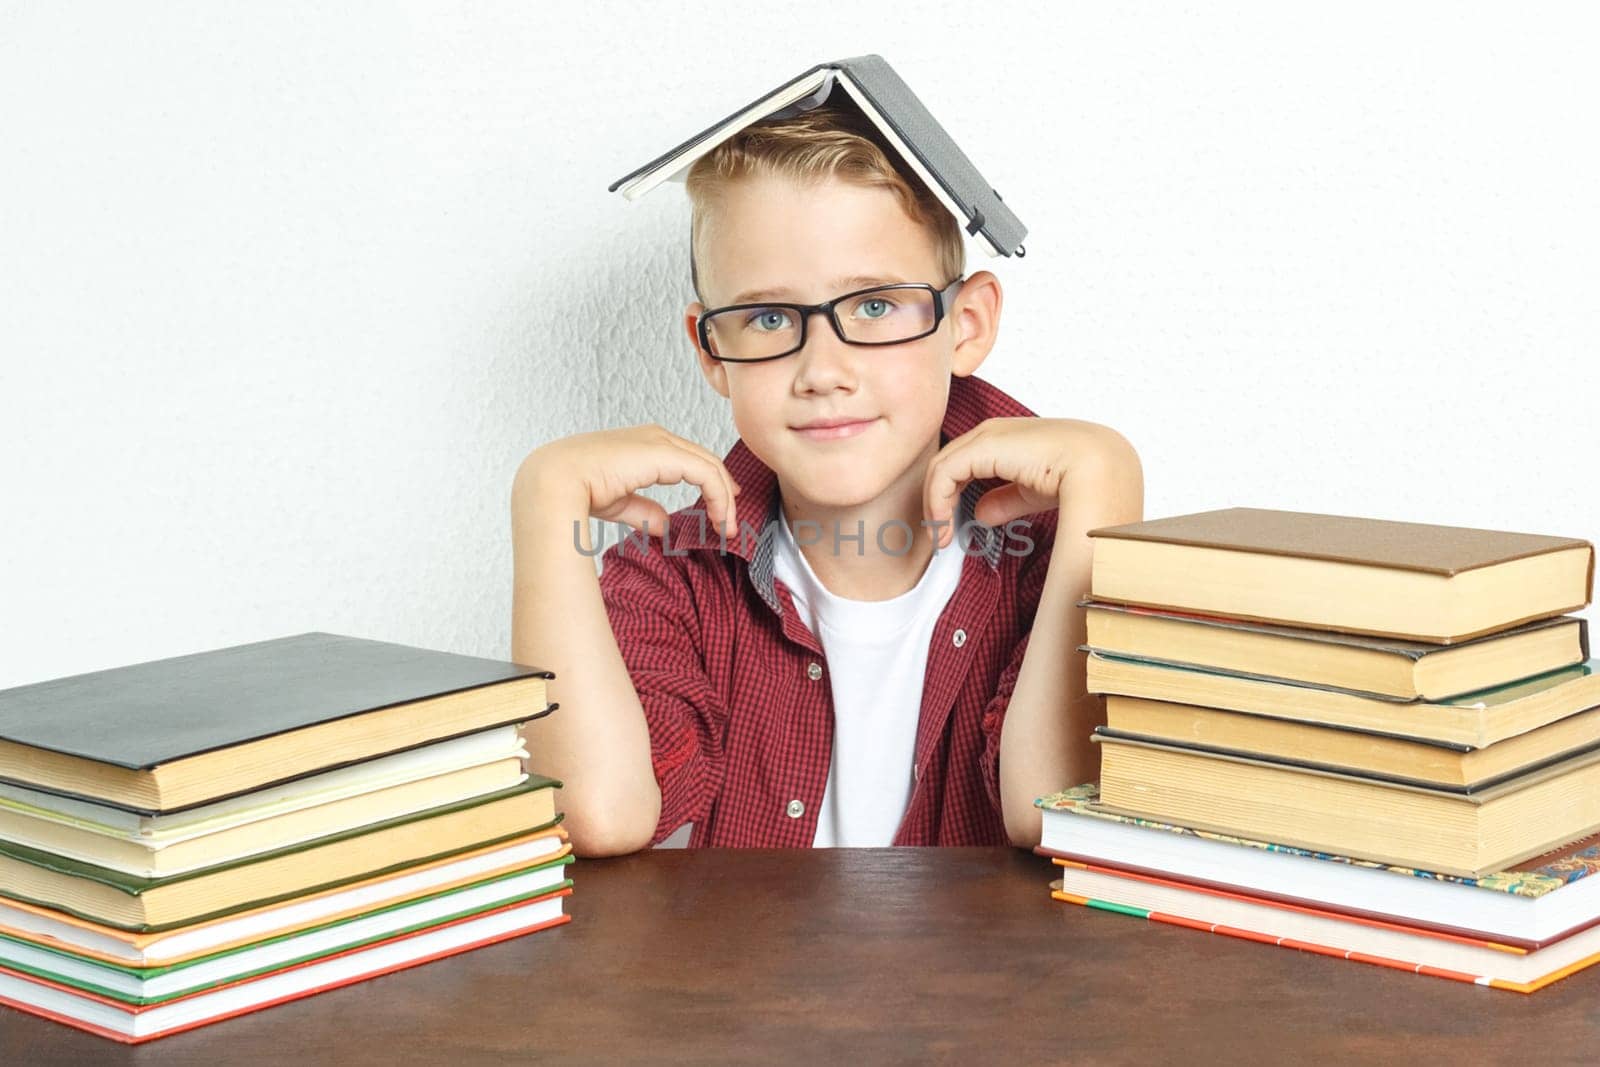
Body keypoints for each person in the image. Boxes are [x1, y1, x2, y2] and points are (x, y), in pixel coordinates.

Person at [511, 104, 1143, 856]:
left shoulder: (1042, 564)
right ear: (712, 350)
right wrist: (544, 500)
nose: (823, 371)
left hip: (991, 978)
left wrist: (1108, 493)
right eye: (770, 318)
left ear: (965, 324)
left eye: (874, 305)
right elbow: (597, 817)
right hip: (752, 975)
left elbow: (1054, 813)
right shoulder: (672, 580)